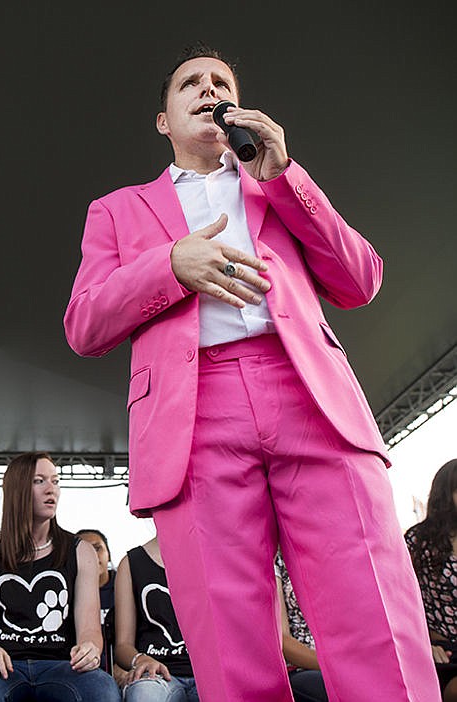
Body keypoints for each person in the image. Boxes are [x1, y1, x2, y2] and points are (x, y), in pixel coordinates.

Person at [64, 43, 441, 701]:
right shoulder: (118, 210)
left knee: (371, 604)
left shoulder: (277, 184)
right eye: (191, 83)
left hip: (310, 397)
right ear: (163, 120)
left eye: (221, 82)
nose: (208, 88)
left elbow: (361, 281)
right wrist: (169, 266)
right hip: (192, 413)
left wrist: (287, 176)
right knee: (230, 639)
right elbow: (85, 324)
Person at [0, 451, 121, 702]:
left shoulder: (80, 551)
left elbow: (90, 631)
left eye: (56, 480)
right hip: (2, 667)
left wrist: (90, 649)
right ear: (17, 490)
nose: (52, 489)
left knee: (101, 689)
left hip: (61, 665)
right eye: (39, 481)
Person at [114, 535, 198, 701]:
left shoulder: (216, 556)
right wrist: (141, 659)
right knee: (145, 694)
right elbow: (123, 646)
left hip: (211, 676)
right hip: (157, 677)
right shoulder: (131, 564)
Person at [405, 459, 457, 702]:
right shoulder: (418, 541)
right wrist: (425, 642)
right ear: (447, 494)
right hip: (443, 652)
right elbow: (403, 603)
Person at [275, 552, 327, 702]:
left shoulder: (326, 554)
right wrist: (331, 666)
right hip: (301, 667)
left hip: (341, 661)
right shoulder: (276, 561)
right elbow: (283, 641)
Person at [76, 529, 116, 672]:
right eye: (85, 550)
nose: (92, 555)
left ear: (109, 555)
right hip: (82, 668)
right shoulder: (65, 591)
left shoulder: (125, 586)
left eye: (97, 548)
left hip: (121, 667)